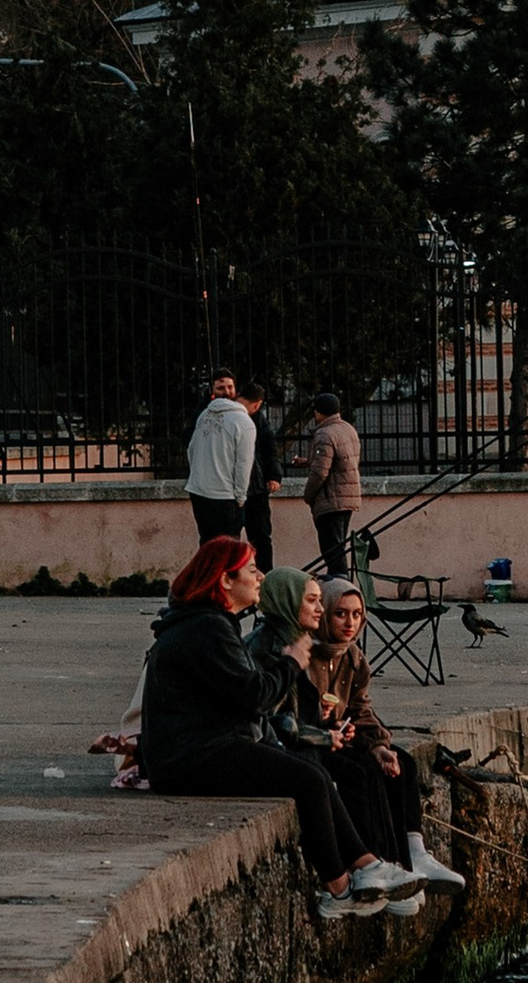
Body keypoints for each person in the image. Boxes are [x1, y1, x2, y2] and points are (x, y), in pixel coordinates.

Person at [138, 536, 413, 924]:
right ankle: (339, 888)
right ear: (225, 581)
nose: (260, 578)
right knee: (309, 779)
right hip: (192, 757)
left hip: (201, 747)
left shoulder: (209, 624)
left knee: (315, 772)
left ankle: (366, 866)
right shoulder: (207, 628)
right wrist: (291, 662)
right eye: (251, 571)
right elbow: (256, 697)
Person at [314, 577, 464, 892]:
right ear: (324, 614)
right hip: (318, 740)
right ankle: (383, 862)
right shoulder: (308, 655)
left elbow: (361, 710)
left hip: (343, 734)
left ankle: (414, 854)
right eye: (340, 614)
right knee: (362, 771)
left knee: (403, 763)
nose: (349, 623)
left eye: (356, 615)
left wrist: (379, 746)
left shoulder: (353, 657)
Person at [183, 373, 256, 545]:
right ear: (212, 390)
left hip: (199, 490)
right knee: (229, 548)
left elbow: (191, 450)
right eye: (221, 387)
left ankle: (207, 573)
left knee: (208, 546)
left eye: (230, 387)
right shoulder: (244, 421)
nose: (227, 391)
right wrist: (240, 496)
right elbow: (244, 463)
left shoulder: (203, 416)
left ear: (236, 389)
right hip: (225, 495)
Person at [302, 389, 363, 579]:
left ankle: (341, 589)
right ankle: (338, 584)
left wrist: (308, 495)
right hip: (348, 497)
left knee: (332, 551)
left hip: (331, 500)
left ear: (318, 412)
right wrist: (308, 460)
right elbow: (340, 461)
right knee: (339, 547)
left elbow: (320, 472)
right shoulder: (347, 429)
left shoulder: (324, 434)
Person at [241, 380, 281, 568]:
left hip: (251, 486)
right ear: (258, 404)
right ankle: (264, 576)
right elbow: (270, 449)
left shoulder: (258, 420)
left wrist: (273, 475)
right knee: (261, 537)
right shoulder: (257, 419)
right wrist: (273, 476)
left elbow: (268, 448)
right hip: (254, 486)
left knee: (259, 537)